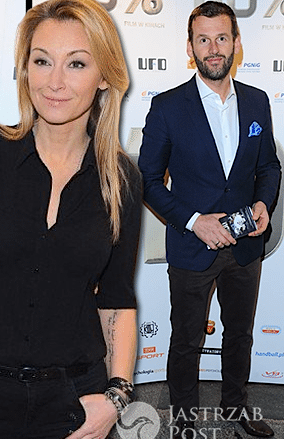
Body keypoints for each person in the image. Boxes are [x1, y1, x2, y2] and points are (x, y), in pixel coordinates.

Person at [0, 0, 142, 438]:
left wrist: (116, 397)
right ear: (25, 69)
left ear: (103, 76)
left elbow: (117, 299)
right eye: (42, 61)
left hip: (76, 400)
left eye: (76, 63)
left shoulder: (122, 179)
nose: (54, 81)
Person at [137, 2, 280, 437]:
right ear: (190, 47)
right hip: (191, 247)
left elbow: (269, 167)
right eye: (203, 39)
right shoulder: (167, 107)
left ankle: (236, 409)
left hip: (246, 246)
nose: (213, 48)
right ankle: (183, 420)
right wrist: (195, 220)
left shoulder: (257, 101)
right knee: (185, 341)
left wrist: (263, 204)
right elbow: (148, 181)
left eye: (221, 38)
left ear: (236, 43)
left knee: (240, 334)